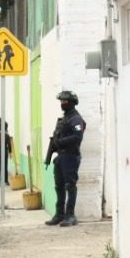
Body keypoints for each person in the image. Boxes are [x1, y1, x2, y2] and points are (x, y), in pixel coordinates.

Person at [44, 91, 85, 227]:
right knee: (59, 186)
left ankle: (70, 215)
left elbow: (77, 137)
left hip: (70, 156)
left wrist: (60, 142)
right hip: (61, 156)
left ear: (72, 103)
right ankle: (59, 214)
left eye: (65, 102)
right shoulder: (65, 119)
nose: (63, 104)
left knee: (70, 185)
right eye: (61, 101)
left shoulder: (76, 119)